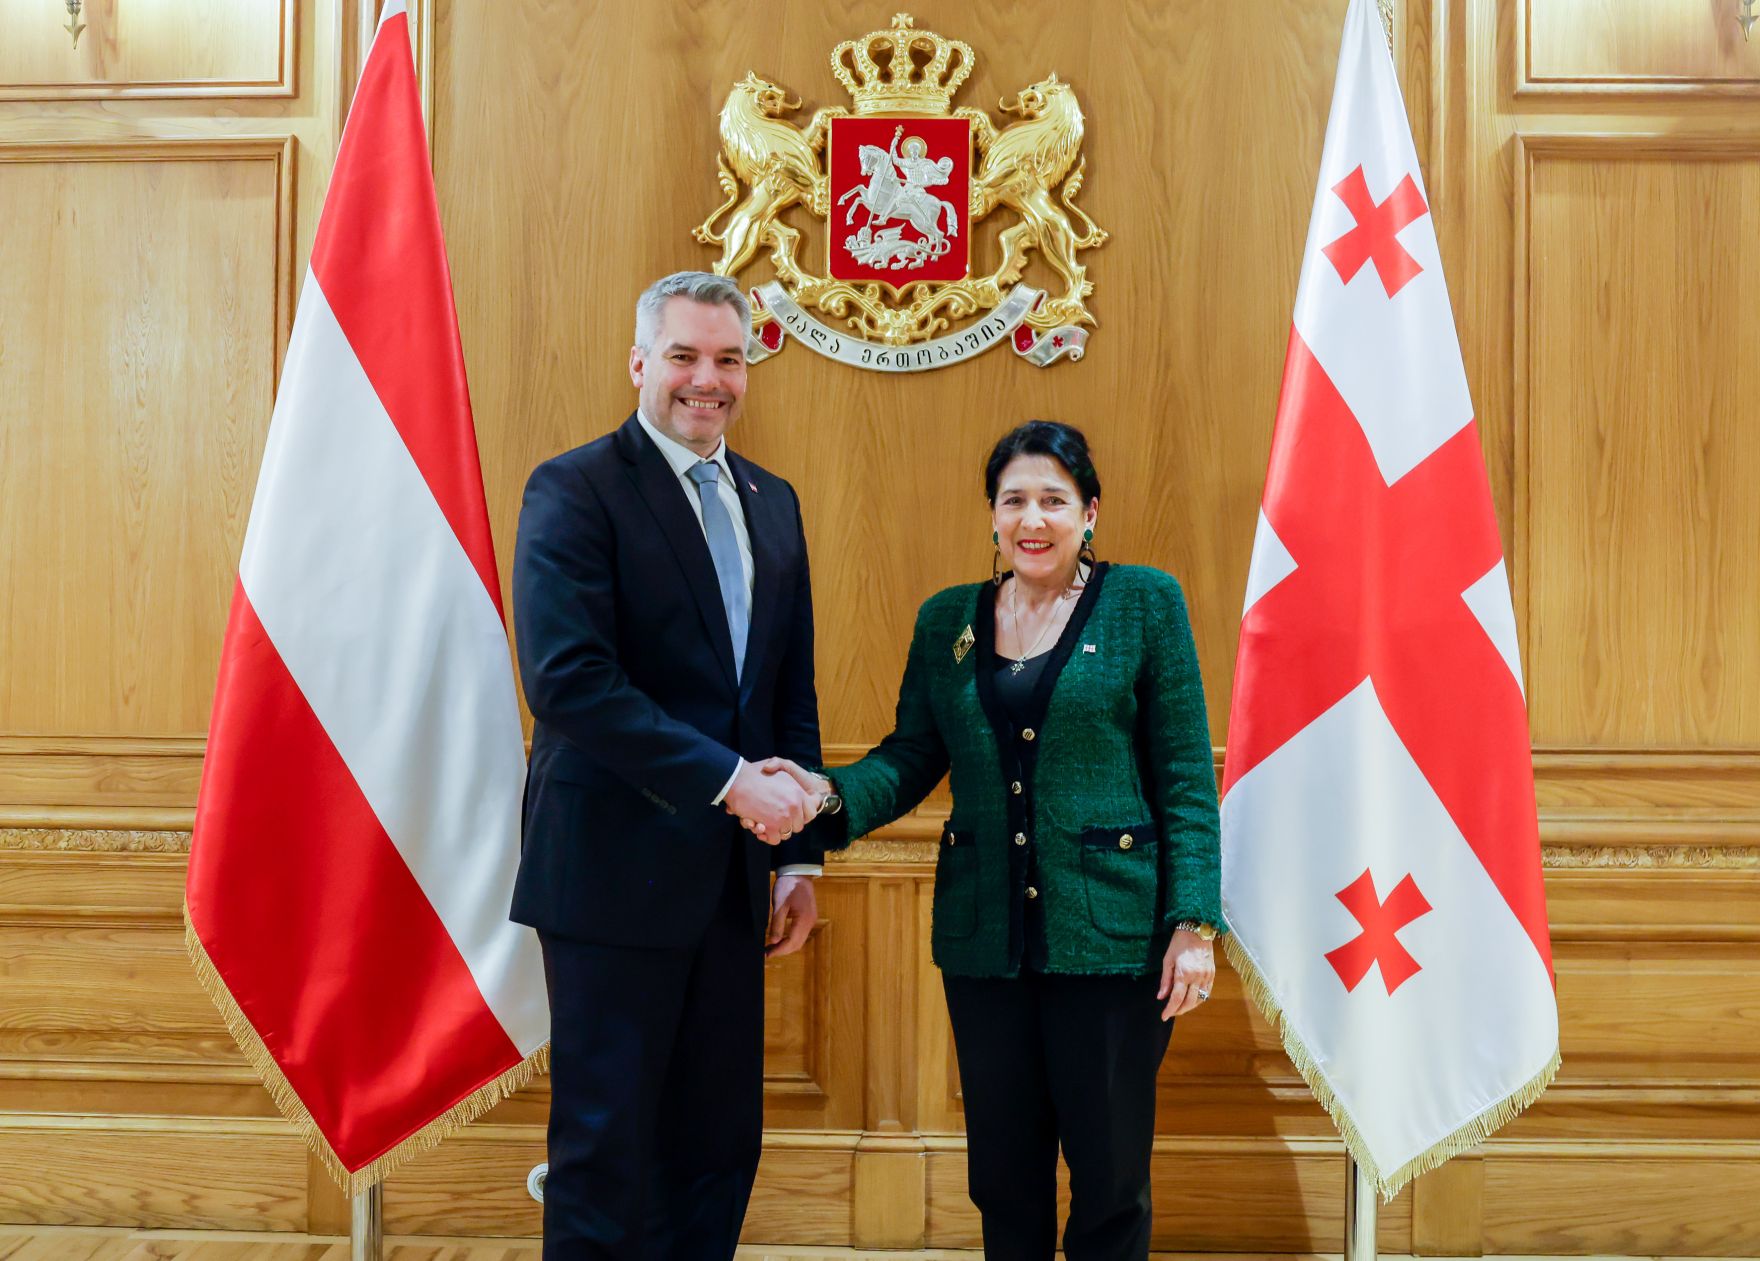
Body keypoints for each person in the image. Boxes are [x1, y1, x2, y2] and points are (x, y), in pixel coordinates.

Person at [759, 421, 1223, 1261]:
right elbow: (910, 757)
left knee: (1110, 1179)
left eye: (1053, 500)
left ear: (1090, 512)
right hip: (985, 946)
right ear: (993, 515)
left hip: (1111, 946)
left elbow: (1187, 777)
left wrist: (1193, 923)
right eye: (1014, 500)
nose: (1032, 519)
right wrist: (825, 795)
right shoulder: (949, 620)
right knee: (1003, 1178)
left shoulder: (1144, 603)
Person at [510, 271, 824, 1260]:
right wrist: (731, 781)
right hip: (609, 876)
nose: (707, 379)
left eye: (729, 359)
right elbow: (567, 680)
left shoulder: (774, 501)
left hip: (733, 885)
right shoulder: (574, 488)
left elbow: (787, 690)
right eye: (684, 356)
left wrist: (799, 857)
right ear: (639, 362)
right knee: (606, 1152)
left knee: (717, 1147)